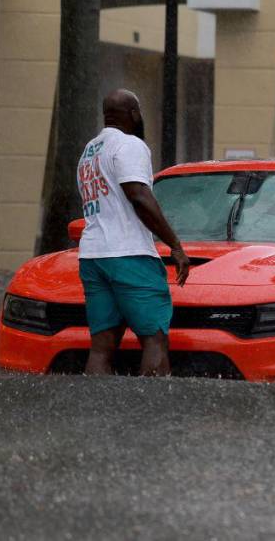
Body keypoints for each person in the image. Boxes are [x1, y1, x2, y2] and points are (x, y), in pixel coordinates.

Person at [76, 89, 190, 376]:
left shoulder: (89, 152)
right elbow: (138, 195)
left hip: (93, 257)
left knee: (101, 346)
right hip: (129, 256)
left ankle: (93, 414)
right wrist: (174, 244)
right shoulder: (130, 145)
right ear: (135, 114)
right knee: (154, 339)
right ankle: (152, 414)